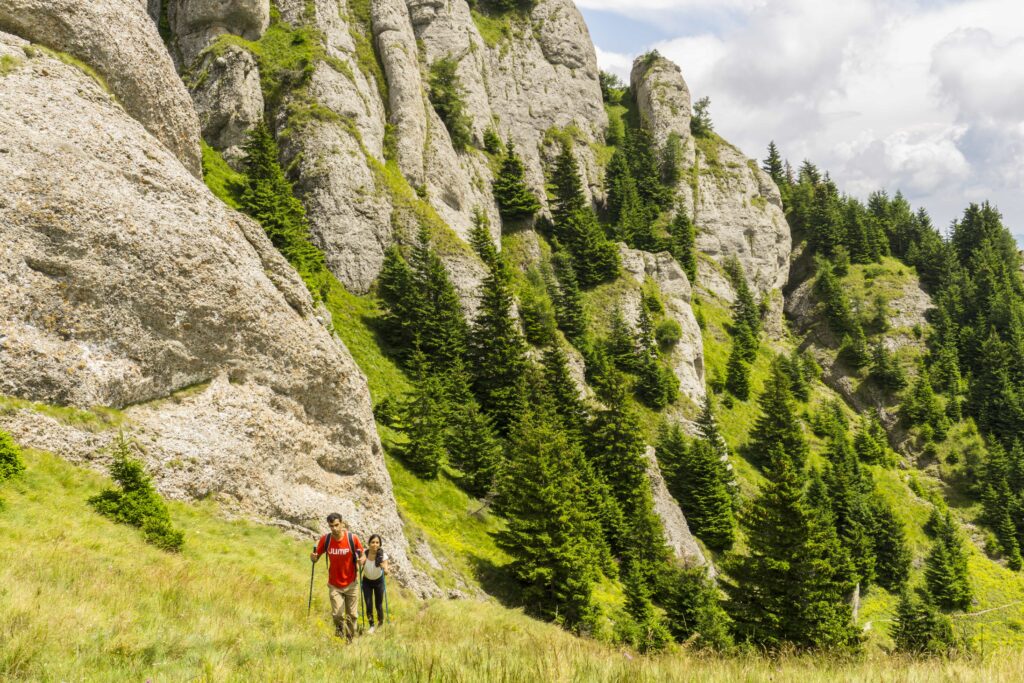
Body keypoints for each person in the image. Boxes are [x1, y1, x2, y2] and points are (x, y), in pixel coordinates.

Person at [310, 513, 364, 640]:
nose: (334, 528)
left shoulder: (352, 539)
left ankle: (349, 639)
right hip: (334, 584)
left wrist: (362, 559)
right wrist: (313, 557)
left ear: (342, 523)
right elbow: (316, 557)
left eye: (336, 525)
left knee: (352, 615)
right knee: (337, 615)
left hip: (351, 583)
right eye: (331, 526)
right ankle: (339, 632)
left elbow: (362, 554)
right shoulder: (326, 540)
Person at [361, 534, 390, 633]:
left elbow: (386, 571)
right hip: (367, 582)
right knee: (368, 604)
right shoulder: (364, 553)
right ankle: (371, 625)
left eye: (377, 542)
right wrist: (359, 562)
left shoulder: (383, 556)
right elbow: (359, 563)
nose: (375, 544)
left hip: (379, 582)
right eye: (373, 542)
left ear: (380, 544)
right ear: (369, 543)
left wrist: (384, 568)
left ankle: (380, 623)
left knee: (379, 605)